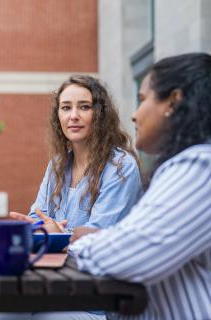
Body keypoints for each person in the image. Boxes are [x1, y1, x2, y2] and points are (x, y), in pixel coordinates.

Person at [69, 53, 211, 319]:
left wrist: (82, 243)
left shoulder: (200, 167)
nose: (134, 115)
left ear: (173, 101)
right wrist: (103, 239)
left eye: (143, 100)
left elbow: (126, 256)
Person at [0, 75, 142, 320]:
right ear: (58, 117)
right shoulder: (57, 165)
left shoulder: (120, 167)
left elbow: (98, 238)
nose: (73, 115)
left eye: (84, 107)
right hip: (55, 288)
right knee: (7, 313)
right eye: (66, 108)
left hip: (98, 299)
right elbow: (37, 217)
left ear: (100, 114)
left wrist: (58, 235)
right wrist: (33, 230)